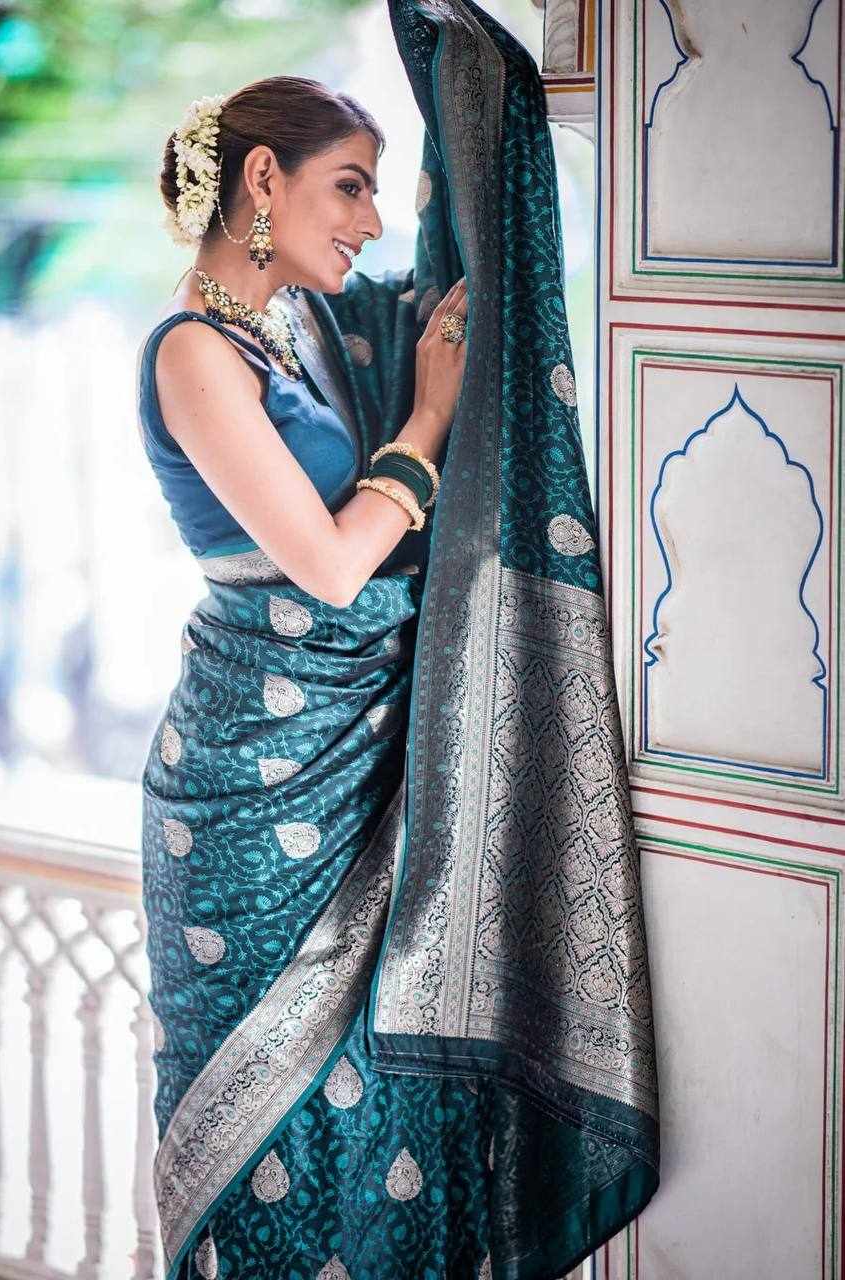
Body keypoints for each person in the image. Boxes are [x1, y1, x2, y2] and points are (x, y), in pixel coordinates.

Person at [138, 4, 660, 1279]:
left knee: (355, 1110)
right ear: (264, 180)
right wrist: (426, 414)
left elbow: (421, 297)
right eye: (349, 186)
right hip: (246, 793)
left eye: (376, 191)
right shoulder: (193, 354)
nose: (369, 220)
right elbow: (327, 566)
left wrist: (473, 144)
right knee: (257, 1125)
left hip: (335, 762)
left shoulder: (287, 338)